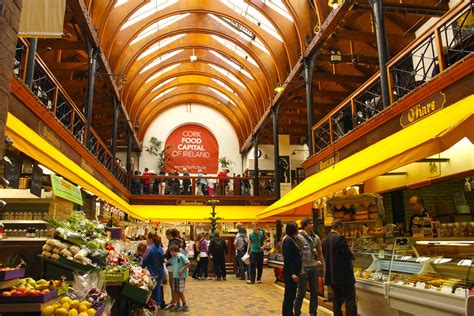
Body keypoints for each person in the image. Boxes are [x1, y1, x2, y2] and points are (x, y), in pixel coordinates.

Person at [322, 220, 357, 316]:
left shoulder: (325, 240)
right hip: (344, 276)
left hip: (333, 277)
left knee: (337, 300)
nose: (343, 230)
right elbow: (346, 254)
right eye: (343, 228)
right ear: (338, 227)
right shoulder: (340, 238)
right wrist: (352, 255)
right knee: (350, 300)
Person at [294, 218, 326, 316]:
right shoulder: (298, 236)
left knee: (315, 292)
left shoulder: (316, 238)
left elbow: (320, 253)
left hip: (313, 267)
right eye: (310, 223)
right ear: (305, 225)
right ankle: (297, 312)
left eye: (312, 222)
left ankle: (313, 312)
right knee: (301, 292)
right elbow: (287, 240)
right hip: (303, 268)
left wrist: (324, 265)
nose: (312, 224)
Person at [282, 222, 302, 316]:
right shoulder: (288, 241)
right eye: (297, 228)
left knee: (291, 295)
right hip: (290, 273)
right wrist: (292, 273)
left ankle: (289, 313)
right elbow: (288, 259)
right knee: (289, 295)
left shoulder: (291, 239)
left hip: (292, 272)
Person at [141, 233, 164, 308]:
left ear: (150, 239)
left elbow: (144, 260)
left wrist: (140, 267)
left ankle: (154, 305)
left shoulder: (150, 248)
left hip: (153, 271)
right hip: (160, 270)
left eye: (147, 238)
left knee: (153, 289)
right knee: (157, 288)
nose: (146, 240)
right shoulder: (159, 248)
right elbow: (162, 260)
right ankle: (158, 304)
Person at [163, 229, 183, 310]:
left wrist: (165, 257)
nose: (166, 237)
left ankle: (174, 302)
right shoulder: (177, 241)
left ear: (169, 234)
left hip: (172, 265)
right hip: (175, 265)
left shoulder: (172, 242)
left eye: (166, 235)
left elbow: (169, 254)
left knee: (172, 284)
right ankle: (174, 301)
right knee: (174, 284)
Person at [168, 244, 190, 312]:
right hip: (175, 276)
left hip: (180, 277)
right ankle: (178, 304)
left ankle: (185, 304)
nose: (171, 253)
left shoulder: (181, 256)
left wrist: (182, 269)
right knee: (176, 291)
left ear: (175, 250)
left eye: (171, 252)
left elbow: (188, 263)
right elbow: (169, 261)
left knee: (180, 291)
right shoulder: (173, 257)